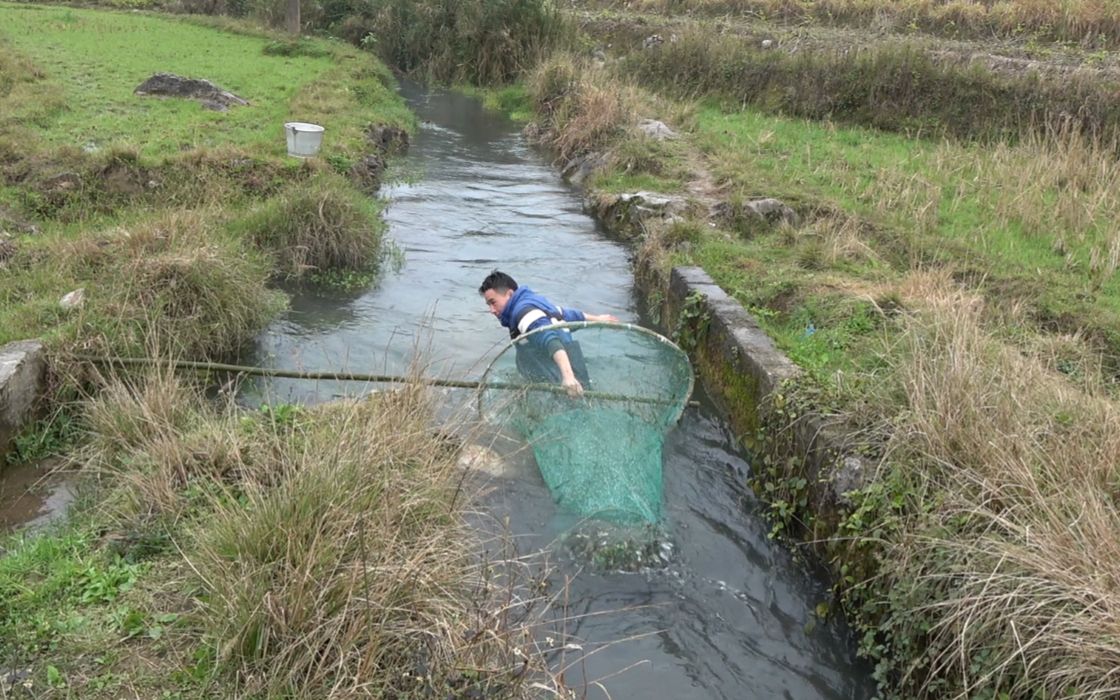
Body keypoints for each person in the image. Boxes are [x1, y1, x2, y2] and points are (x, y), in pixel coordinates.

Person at [479, 271, 619, 397]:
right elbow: (566, 315)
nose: (491, 310)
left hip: (560, 382)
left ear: (509, 294)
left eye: (493, 302)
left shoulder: (522, 314)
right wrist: (598, 319)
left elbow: (550, 340)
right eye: (488, 305)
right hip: (578, 373)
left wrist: (568, 377)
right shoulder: (536, 302)